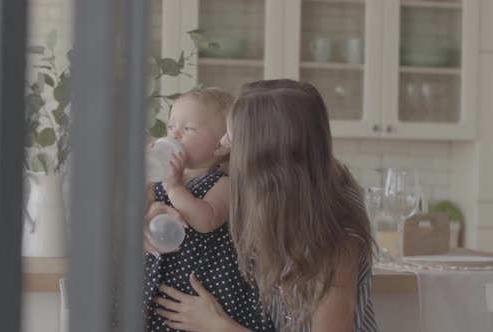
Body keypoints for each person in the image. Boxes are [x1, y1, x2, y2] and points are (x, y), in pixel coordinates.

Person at [152, 79, 378, 332]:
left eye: (232, 134)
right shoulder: (264, 195)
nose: (223, 144)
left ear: (263, 151)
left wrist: (218, 326)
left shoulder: (334, 226)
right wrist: (151, 210)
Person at [144, 87, 276, 331]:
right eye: (171, 126)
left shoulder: (225, 183)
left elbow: (206, 219)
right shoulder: (162, 176)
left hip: (205, 289)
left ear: (221, 146)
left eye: (188, 129)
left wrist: (173, 188)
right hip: (160, 284)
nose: (175, 135)